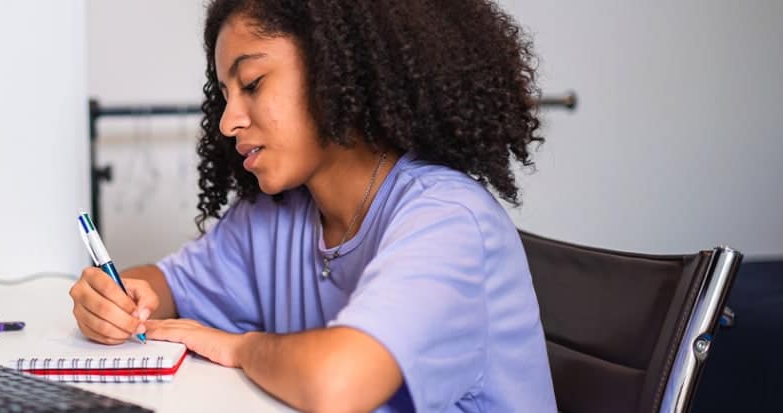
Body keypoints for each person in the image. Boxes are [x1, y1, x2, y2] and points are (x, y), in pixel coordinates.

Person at [68, 0, 556, 411]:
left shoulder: (448, 221)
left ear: (336, 68)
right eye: (225, 96)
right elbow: (169, 285)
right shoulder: (274, 216)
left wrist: (242, 348)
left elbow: (335, 382)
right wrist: (121, 297)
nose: (228, 121)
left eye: (253, 83)